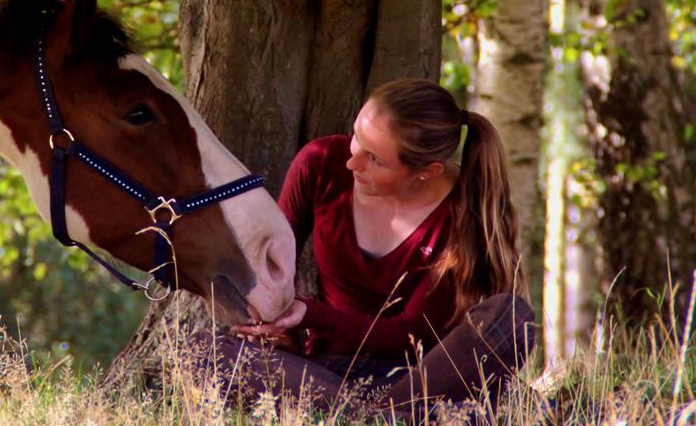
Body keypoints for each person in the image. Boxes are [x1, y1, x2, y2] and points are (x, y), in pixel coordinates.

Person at [203, 78, 537, 419]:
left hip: (423, 377)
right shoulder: (320, 163)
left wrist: (311, 313)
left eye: (374, 158)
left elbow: (409, 335)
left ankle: (370, 416)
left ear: (427, 171)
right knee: (207, 352)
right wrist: (280, 328)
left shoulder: (464, 214)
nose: (352, 163)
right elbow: (270, 265)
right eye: (356, 139)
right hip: (322, 373)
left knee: (511, 318)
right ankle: (394, 418)